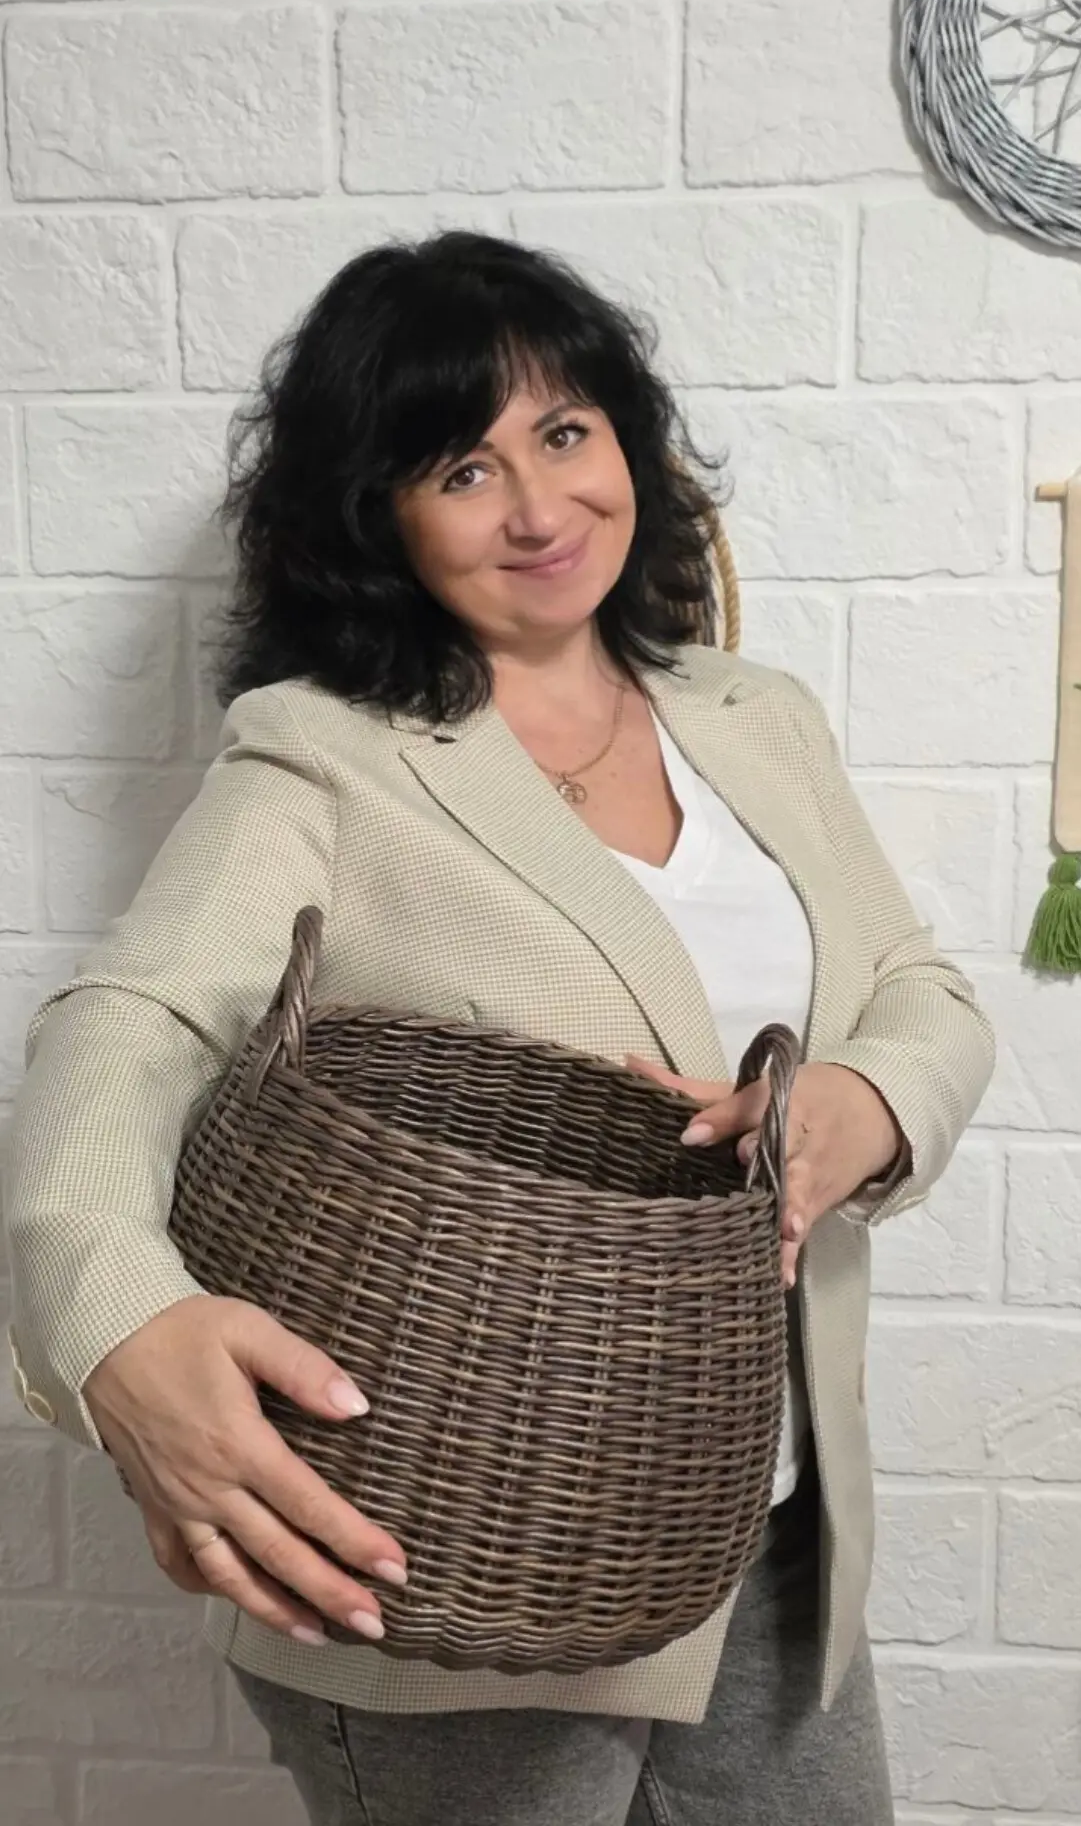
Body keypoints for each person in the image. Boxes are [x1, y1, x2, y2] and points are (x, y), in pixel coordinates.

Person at [2, 228, 995, 1826]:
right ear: (377, 516)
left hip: (768, 1533)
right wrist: (115, 1320)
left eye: (565, 434)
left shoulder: (759, 719)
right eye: (463, 469)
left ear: (627, 445)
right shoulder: (325, 755)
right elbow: (130, 1019)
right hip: (451, 1561)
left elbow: (920, 993)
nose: (540, 509)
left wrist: (859, 1107)